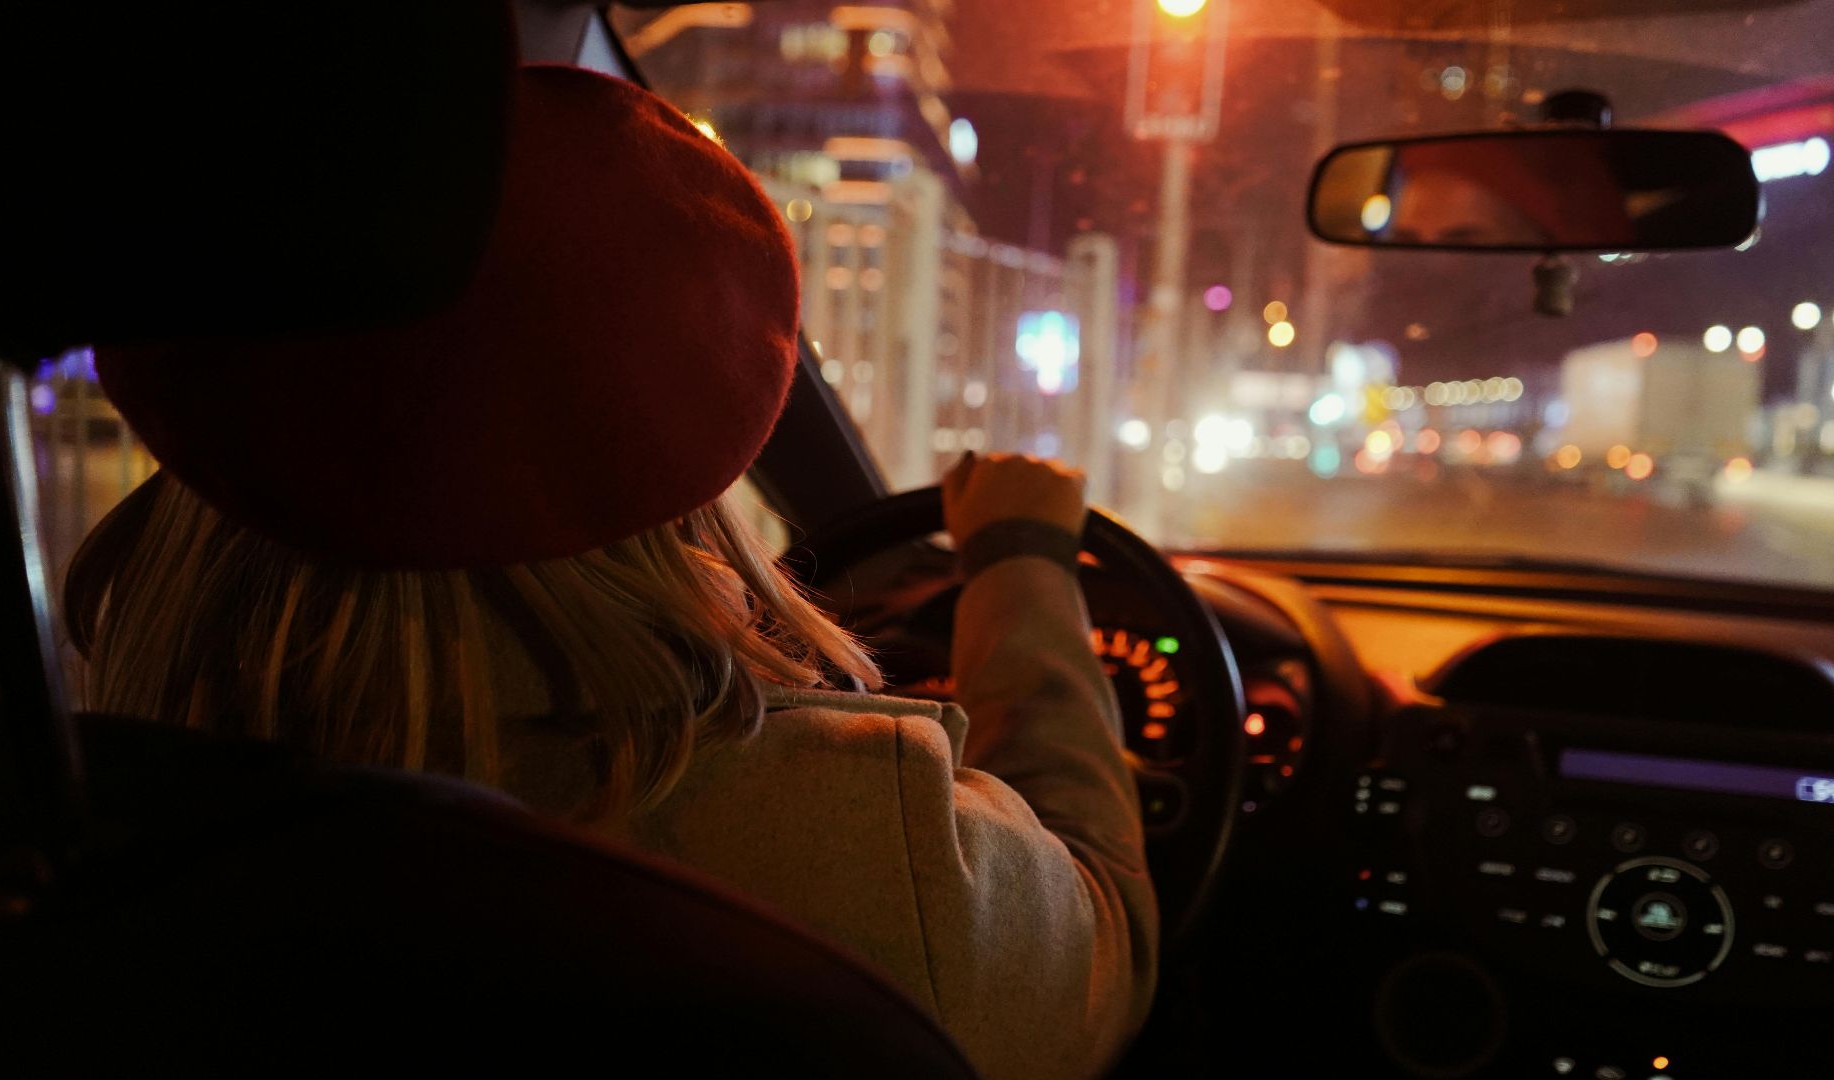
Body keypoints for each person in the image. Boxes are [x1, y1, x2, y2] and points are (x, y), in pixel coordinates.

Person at [66, 65, 1153, 1079]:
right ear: (689, 461)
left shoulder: (75, 805)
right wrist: (1018, 560)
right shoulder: (851, 839)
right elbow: (1102, 948)